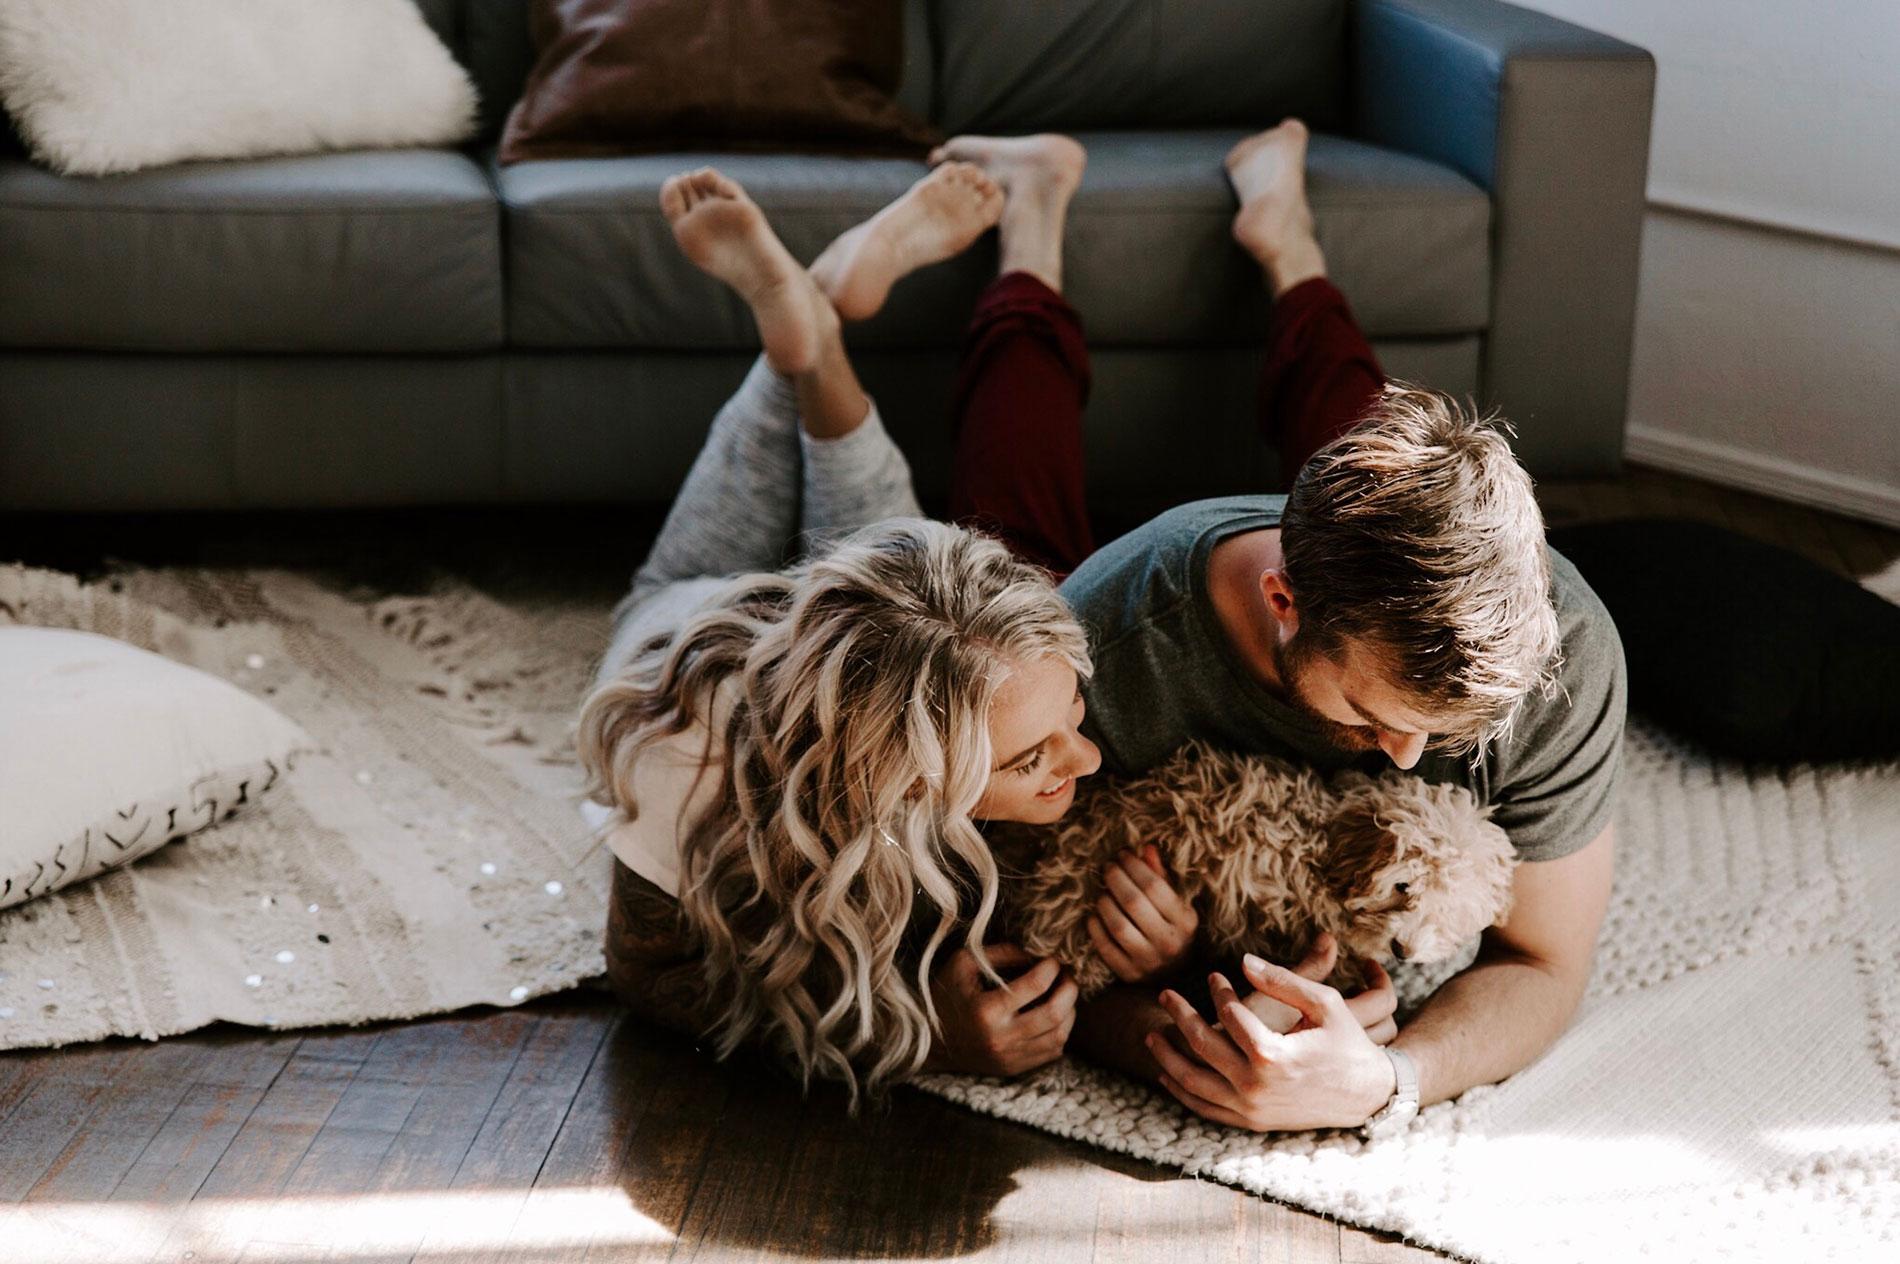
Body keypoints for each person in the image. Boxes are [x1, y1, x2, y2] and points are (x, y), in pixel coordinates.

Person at [1037, 121, 1628, 1134]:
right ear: (1282, 602)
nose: (1408, 761)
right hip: (1133, 579)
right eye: (1373, 711)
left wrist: (1385, 1079)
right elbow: (1016, 934)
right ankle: (1031, 243)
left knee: (1367, 433)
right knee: (1015, 518)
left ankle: (1286, 241)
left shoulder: (1562, 650)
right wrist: (1171, 1024)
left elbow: (1544, 957)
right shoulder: (1112, 630)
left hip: (1346, 547)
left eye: (1447, 735)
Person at [578, 160, 1104, 1105]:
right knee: (664, 585)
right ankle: (811, 317)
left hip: (862, 599)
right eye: (1036, 755)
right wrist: (917, 1031)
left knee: (912, 555)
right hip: (679, 626)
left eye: (1074, 711)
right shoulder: (689, 773)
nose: (1092, 757)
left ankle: (812, 321)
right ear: (900, 768)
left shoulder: (952, 617)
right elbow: (646, 974)